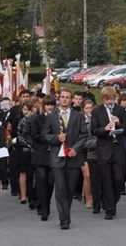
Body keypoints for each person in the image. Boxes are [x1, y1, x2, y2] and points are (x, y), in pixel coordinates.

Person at [42, 88, 88, 230]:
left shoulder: (78, 116)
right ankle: (64, 219)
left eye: (68, 97)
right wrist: (56, 138)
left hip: (73, 156)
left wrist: (76, 148)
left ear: (72, 100)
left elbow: (84, 134)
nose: (65, 99)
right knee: (60, 188)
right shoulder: (51, 116)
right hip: (57, 157)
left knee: (69, 189)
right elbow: (44, 135)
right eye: (62, 97)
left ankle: (66, 213)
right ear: (59, 99)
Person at [91, 86, 126, 220]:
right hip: (103, 150)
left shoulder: (120, 110)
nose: (109, 102)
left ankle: (112, 202)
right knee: (106, 180)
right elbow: (94, 130)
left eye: (112, 99)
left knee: (118, 179)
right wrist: (105, 129)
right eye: (107, 99)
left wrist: (119, 124)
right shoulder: (97, 111)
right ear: (103, 99)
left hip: (117, 150)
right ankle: (109, 209)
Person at [31, 95, 56, 221]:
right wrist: (46, 138)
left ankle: (47, 202)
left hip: (53, 154)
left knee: (51, 181)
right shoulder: (37, 119)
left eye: (52, 104)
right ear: (43, 106)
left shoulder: (57, 118)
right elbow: (34, 135)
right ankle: (42, 206)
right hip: (40, 153)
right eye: (47, 105)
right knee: (41, 179)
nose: (50, 107)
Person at [15, 100, 35, 204]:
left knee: (32, 173)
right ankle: (23, 196)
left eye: (29, 109)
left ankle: (32, 194)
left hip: (34, 149)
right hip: (23, 149)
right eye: (25, 109)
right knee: (23, 172)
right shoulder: (21, 120)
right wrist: (26, 144)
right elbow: (18, 134)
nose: (27, 111)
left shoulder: (35, 119)